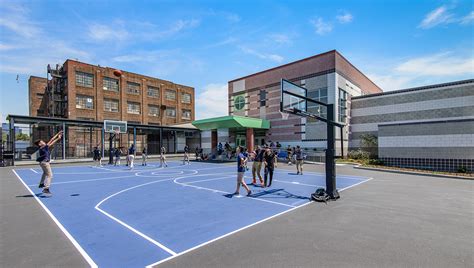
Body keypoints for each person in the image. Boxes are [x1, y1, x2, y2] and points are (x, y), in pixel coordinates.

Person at [34, 130, 63, 196]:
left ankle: (41, 183)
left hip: (42, 163)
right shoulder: (43, 147)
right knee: (50, 175)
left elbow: (52, 142)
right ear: (39, 144)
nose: (44, 142)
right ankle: (46, 188)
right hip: (45, 163)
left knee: (45, 173)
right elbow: (51, 140)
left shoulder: (44, 147)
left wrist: (58, 138)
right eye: (42, 142)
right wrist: (58, 134)